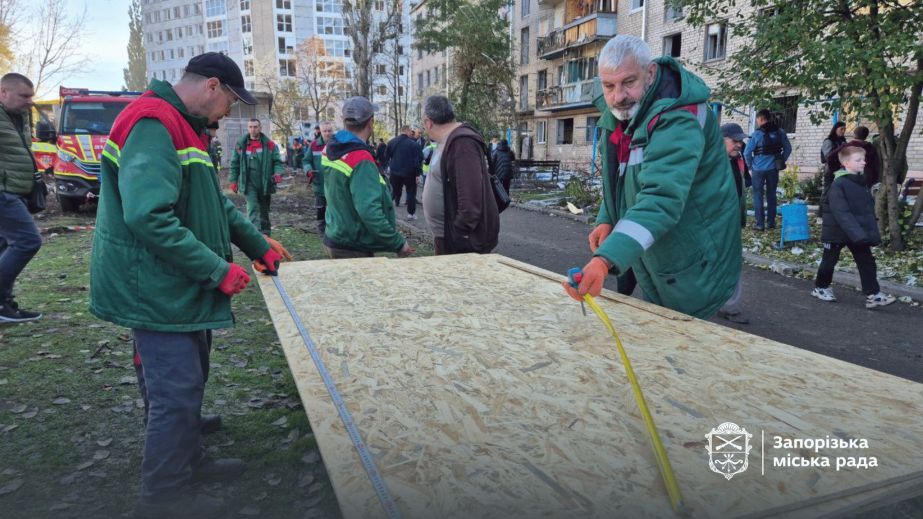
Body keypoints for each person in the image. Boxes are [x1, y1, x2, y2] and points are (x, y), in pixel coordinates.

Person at [88, 52, 291, 518]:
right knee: (175, 390)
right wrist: (217, 270)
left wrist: (258, 245)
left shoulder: (184, 128)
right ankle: (164, 496)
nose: (229, 116)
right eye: (231, 104)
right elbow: (148, 216)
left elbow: (214, 205)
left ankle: (190, 456)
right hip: (155, 286)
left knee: (190, 380)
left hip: (175, 283)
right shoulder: (154, 124)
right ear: (212, 87)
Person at [561, 35, 741, 319]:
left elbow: (661, 197)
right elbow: (621, 178)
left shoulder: (679, 117)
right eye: (609, 86)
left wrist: (606, 259)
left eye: (628, 82)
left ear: (650, 74)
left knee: (687, 341)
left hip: (694, 255)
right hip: (660, 252)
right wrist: (608, 217)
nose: (618, 96)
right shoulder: (622, 117)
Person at [321, 96, 413, 259]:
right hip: (353, 246)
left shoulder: (330, 148)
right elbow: (369, 210)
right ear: (371, 122)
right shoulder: (361, 159)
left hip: (336, 235)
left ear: (344, 121)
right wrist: (397, 242)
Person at [811, 146, 895, 309]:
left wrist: (865, 233)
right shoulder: (838, 184)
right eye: (859, 160)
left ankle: (874, 295)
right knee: (829, 261)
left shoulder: (859, 182)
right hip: (836, 232)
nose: (864, 162)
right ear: (847, 163)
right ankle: (821, 287)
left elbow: (863, 210)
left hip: (855, 232)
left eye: (863, 159)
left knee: (867, 262)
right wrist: (859, 234)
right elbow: (842, 212)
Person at [420, 95, 499, 255]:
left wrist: (458, 234)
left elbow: (470, 200)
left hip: (461, 243)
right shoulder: (448, 141)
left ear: (428, 122)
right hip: (451, 238)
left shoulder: (462, 143)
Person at [0, 72, 42, 323]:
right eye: (24, 96)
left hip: (17, 190)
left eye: (31, 96)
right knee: (28, 241)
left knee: (6, 245)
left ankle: (4, 305)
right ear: (3, 92)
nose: (29, 101)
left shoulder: (20, 117)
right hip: (3, 192)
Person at [716, 122, 752, 324]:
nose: (739, 144)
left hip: (731, 220)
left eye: (740, 141)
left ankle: (729, 306)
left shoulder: (738, 160)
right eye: (734, 140)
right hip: (712, 220)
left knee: (731, 262)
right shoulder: (710, 161)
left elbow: (743, 185)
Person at [229, 118, 284, 235]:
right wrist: (233, 180)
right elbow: (234, 163)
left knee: (264, 210)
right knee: (253, 208)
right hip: (248, 183)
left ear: (260, 128)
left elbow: (277, 162)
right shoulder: (241, 145)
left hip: (265, 182)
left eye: (255, 127)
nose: (253, 130)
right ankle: (256, 236)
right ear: (247, 128)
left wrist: (278, 173)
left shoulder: (269, 145)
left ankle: (266, 234)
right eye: (250, 127)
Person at [743, 108, 791, 230]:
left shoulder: (757, 134)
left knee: (758, 195)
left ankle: (759, 224)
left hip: (758, 170)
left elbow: (747, 153)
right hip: (773, 169)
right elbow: (788, 149)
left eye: (758, 120)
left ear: (761, 119)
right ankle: (771, 223)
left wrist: (750, 165)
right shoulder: (780, 132)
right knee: (771, 195)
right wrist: (780, 160)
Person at [386, 125, 424, 220]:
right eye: (411, 131)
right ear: (406, 131)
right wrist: (417, 173)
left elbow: (387, 155)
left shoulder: (392, 142)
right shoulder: (413, 144)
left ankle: (385, 210)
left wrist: (390, 166)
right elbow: (418, 159)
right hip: (409, 172)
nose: (412, 133)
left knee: (393, 191)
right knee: (411, 192)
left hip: (395, 171)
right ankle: (411, 214)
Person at [308, 122, 333, 234]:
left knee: (334, 206)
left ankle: (332, 227)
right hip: (319, 182)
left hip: (334, 183)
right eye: (325, 131)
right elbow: (306, 161)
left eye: (329, 131)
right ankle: (321, 227)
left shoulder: (338, 145)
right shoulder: (314, 145)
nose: (327, 133)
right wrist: (308, 170)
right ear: (320, 132)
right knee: (320, 206)